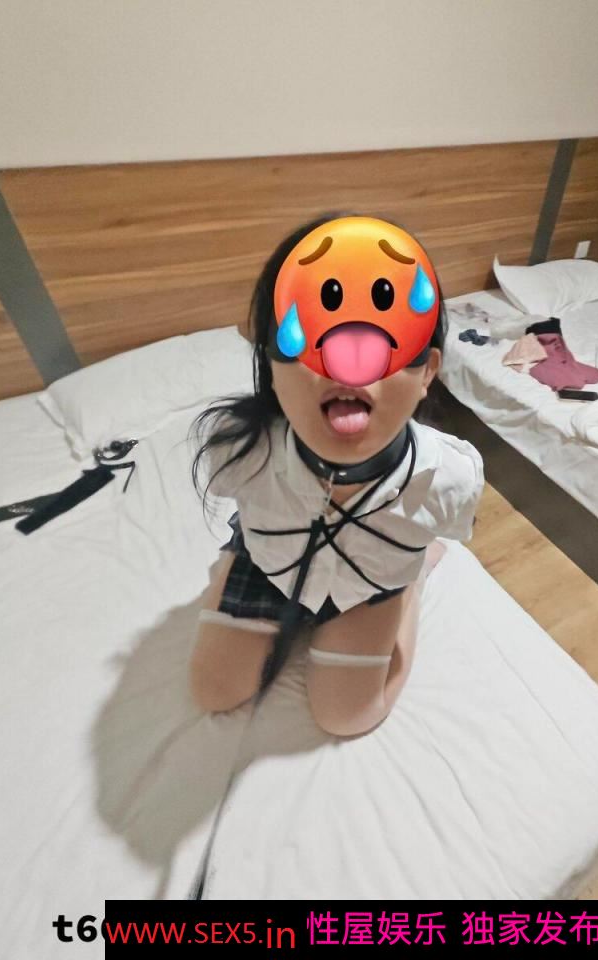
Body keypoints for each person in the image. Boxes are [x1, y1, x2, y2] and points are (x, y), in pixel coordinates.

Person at [189, 212, 484, 737]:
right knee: (214, 691)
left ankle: (414, 581)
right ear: (271, 363)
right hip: (269, 565)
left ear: (427, 371)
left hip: (374, 581)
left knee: (347, 717)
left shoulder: (449, 477)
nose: (348, 361)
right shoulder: (239, 451)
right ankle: (233, 558)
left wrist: (403, 583)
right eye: (311, 330)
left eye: (387, 330)